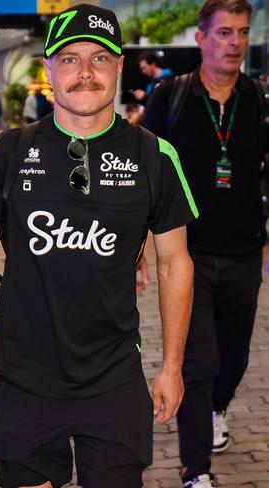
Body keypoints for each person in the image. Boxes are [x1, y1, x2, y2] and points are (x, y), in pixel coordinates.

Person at [0, 4, 198, 487]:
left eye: (99, 58)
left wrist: (173, 366)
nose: (85, 72)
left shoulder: (156, 156)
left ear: (119, 67)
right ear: (48, 69)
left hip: (114, 375)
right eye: (68, 59)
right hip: (25, 373)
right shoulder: (7, 151)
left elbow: (176, 265)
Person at [142, 1, 268, 486]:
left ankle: (218, 408)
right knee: (196, 361)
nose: (234, 43)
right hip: (185, 257)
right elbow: (144, 173)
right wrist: (137, 242)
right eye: (223, 33)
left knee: (233, 357)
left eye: (241, 33)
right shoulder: (170, 97)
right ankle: (197, 471)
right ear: (201, 39)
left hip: (242, 253)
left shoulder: (258, 99)